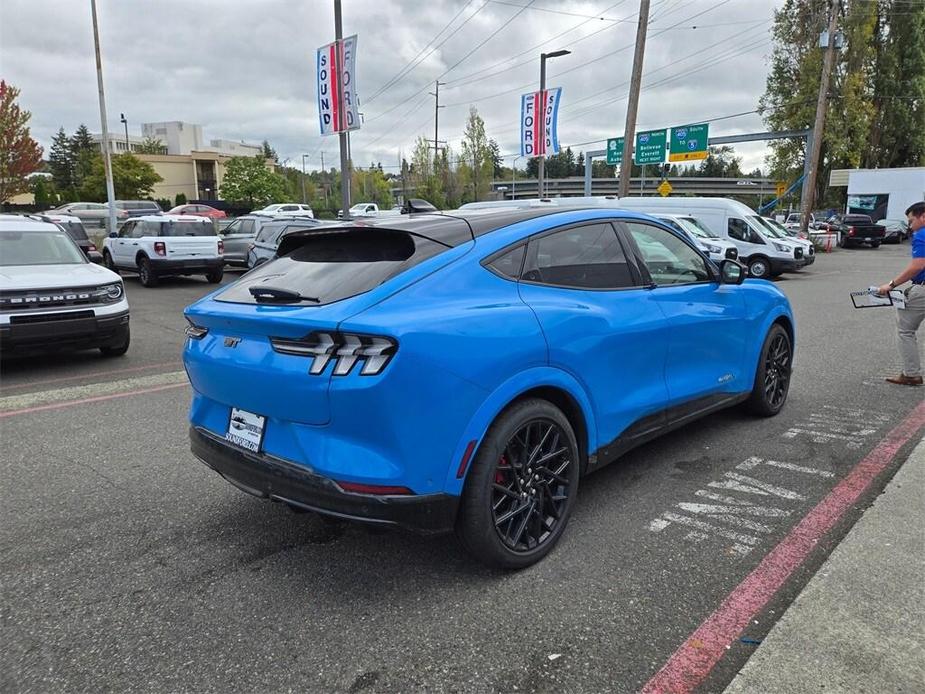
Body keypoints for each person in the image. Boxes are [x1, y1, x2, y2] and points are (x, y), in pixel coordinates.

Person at [877, 201, 925, 386]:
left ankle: (911, 374)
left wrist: (891, 284)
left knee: (905, 329)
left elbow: (918, 265)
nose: (910, 226)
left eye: (911, 221)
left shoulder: (921, 235)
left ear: (923, 216)